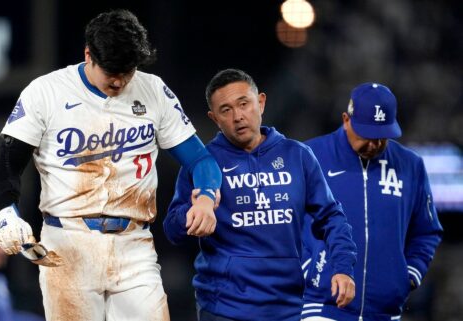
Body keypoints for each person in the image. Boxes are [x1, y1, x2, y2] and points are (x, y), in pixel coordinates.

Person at [0, 9, 221, 321]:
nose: (119, 80)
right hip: (68, 245)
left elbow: (200, 159)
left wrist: (206, 196)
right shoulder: (46, 91)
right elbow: (7, 163)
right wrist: (6, 213)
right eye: (111, 71)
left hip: (133, 244)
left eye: (127, 71)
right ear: (88, 55)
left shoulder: (152, 90)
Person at [164, 68, 357, 321]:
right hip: (223, 307)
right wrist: (190, 216)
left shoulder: (297, 156)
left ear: (261, 102)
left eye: (244, 104)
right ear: (214, 119)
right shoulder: (203, 163)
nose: (238, 116)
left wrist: (343, 268)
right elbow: (172, 230)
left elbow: (332, 218)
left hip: (287, 307)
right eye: (226, 110)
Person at [301, 82, 443, 320]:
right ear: (346, 119)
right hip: (322, 306)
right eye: (367, 134)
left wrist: (407, 274)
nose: (375, 144)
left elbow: (426, 231)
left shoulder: (410, 165)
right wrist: (310, 270)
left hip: (385, 312)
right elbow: (285, 222)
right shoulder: (310, 156)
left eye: (383, 136)